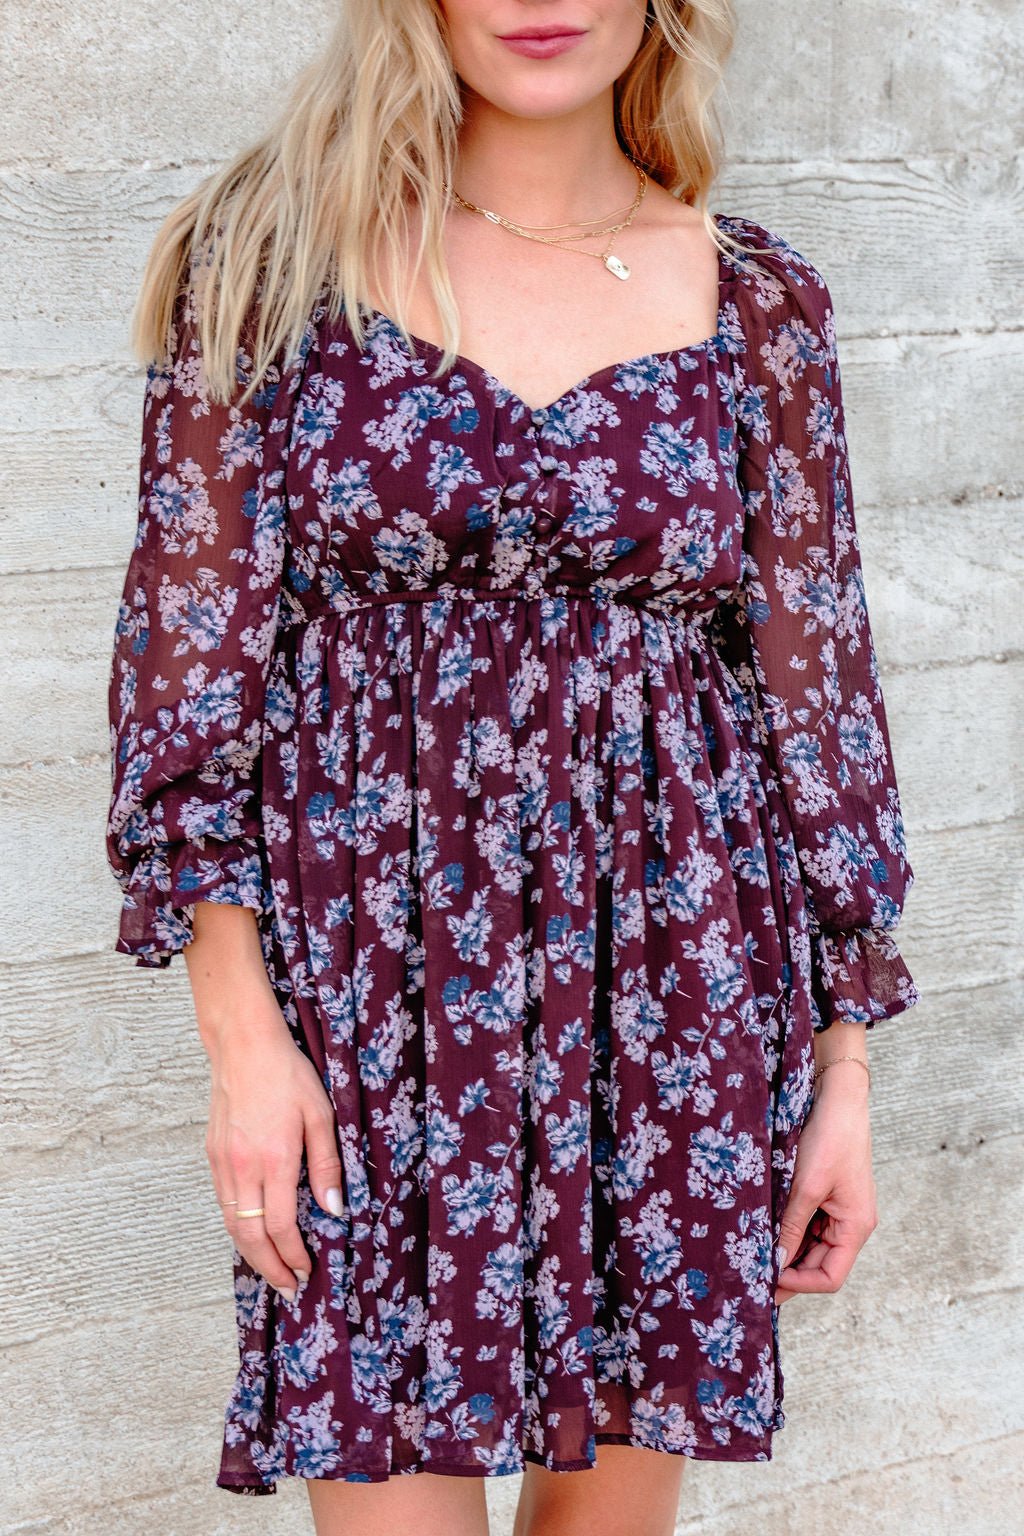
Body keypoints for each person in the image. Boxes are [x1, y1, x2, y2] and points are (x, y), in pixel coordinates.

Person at [104, 2, 921, 1532]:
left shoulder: (758, 305)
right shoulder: (273, 266)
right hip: (370, 1008)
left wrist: (844, 1076)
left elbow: (821, 707)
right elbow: (187, 672)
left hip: (677, 1004)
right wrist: (243, 1043)